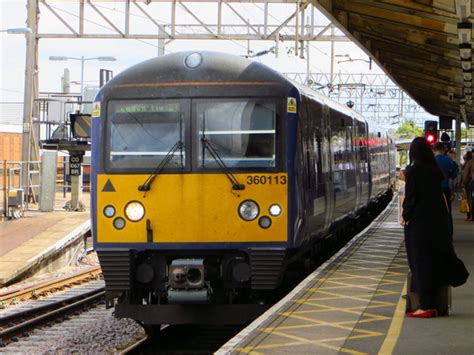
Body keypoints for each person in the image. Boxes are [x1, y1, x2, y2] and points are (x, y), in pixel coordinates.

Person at [401, 137, 466, 318]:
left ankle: (426, 305)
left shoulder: (414, 172)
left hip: (419, 225)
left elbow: (411, 198)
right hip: (437, 222)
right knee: (433, 259)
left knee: (420, 263)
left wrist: (406, 216)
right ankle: (433, 303)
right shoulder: (434, 170)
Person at [433, 143, 458, 233]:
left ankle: (436, 233)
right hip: (446, 189)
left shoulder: (431, 160)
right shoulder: (449, 160)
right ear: (443, 150)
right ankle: (449, 232)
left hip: (433, 190)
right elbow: (454, 174)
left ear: (433, 150)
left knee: (434, 212)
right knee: (447, 211)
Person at [461, 151, 474, 221]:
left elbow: (465, 175)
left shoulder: (469, 163)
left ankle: (470, 216)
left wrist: (463, 183)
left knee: (469, 200)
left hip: (470, 183)